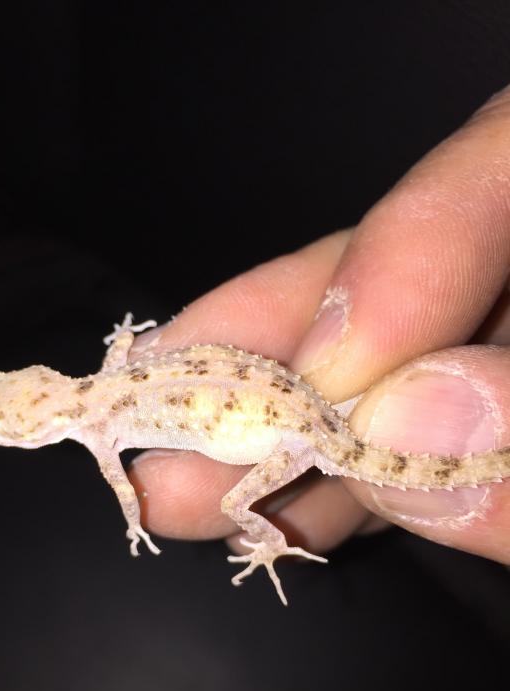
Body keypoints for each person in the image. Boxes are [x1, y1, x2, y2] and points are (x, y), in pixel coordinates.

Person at [127, 85, 510, 566]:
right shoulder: (111, 374)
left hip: (305, 434)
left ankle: (269, 546)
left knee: (229, 502)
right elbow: (124, 346)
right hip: (315, 411)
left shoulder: (107, 421)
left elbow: (133, 494)